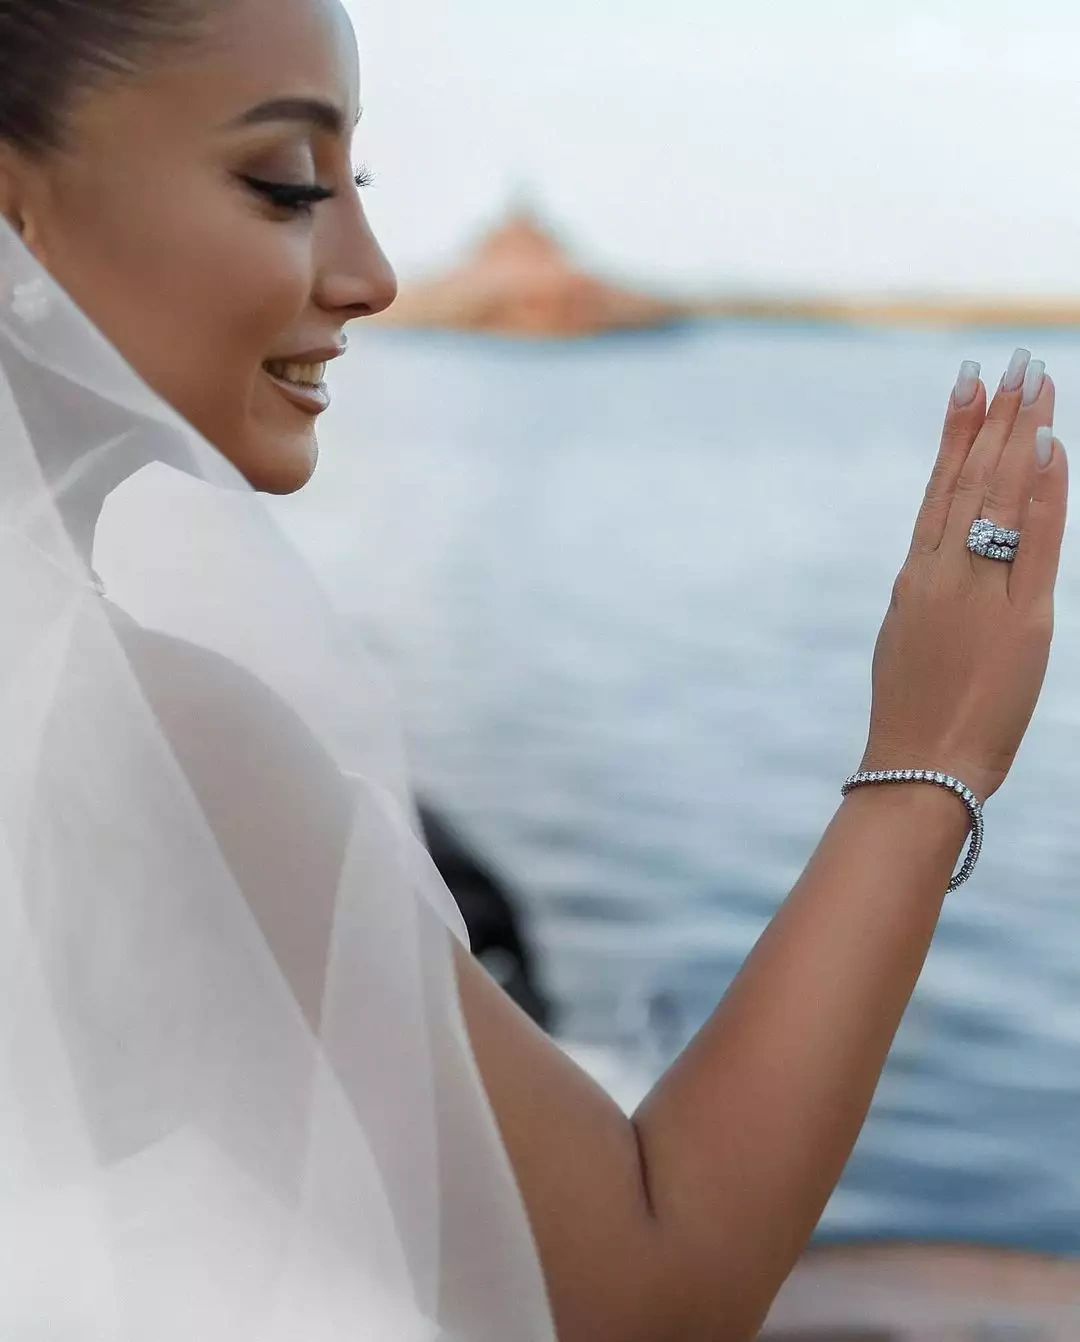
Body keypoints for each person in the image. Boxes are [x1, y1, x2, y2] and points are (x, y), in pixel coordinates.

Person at [0, 2, 1068, 1340]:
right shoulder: (140, 727)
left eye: (355, 185)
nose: (375, 275)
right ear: (17, 214)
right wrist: (932, 755)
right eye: (286, 185)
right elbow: (648, 1295)